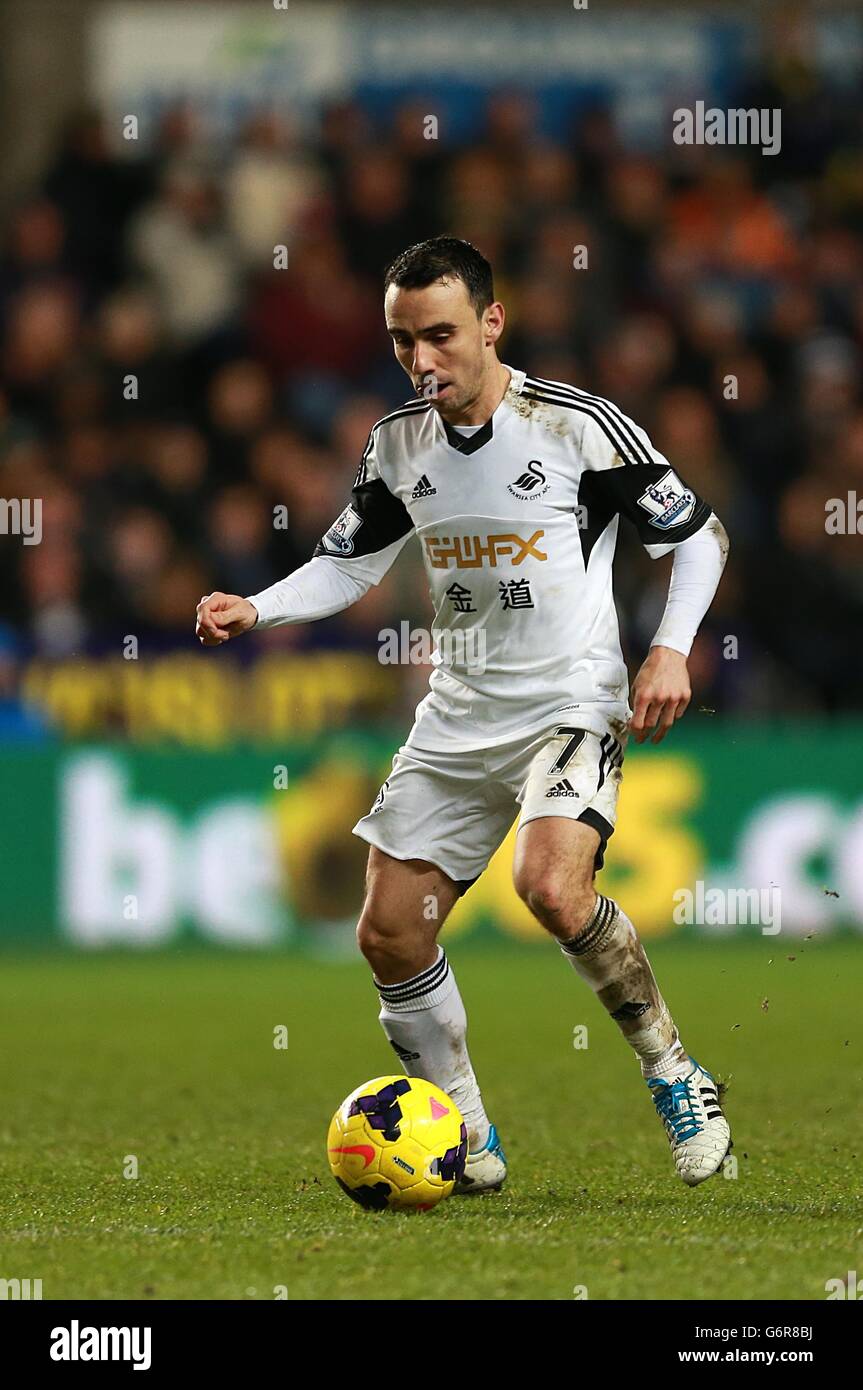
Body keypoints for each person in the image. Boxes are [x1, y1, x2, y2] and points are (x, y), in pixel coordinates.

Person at [196, 236, 731, 1192]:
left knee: (553, 890)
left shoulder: (579, 428)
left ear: (491, 322)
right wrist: (258, 606)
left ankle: (675, 1073)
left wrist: (668, 648)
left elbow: (699, 537)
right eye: (403, 342)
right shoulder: (397, 443)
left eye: (440, 335)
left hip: (570, 698)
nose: (421, 360)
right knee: (389, 931)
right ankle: (469, 1140)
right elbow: (350, 562)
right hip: (458, 711)